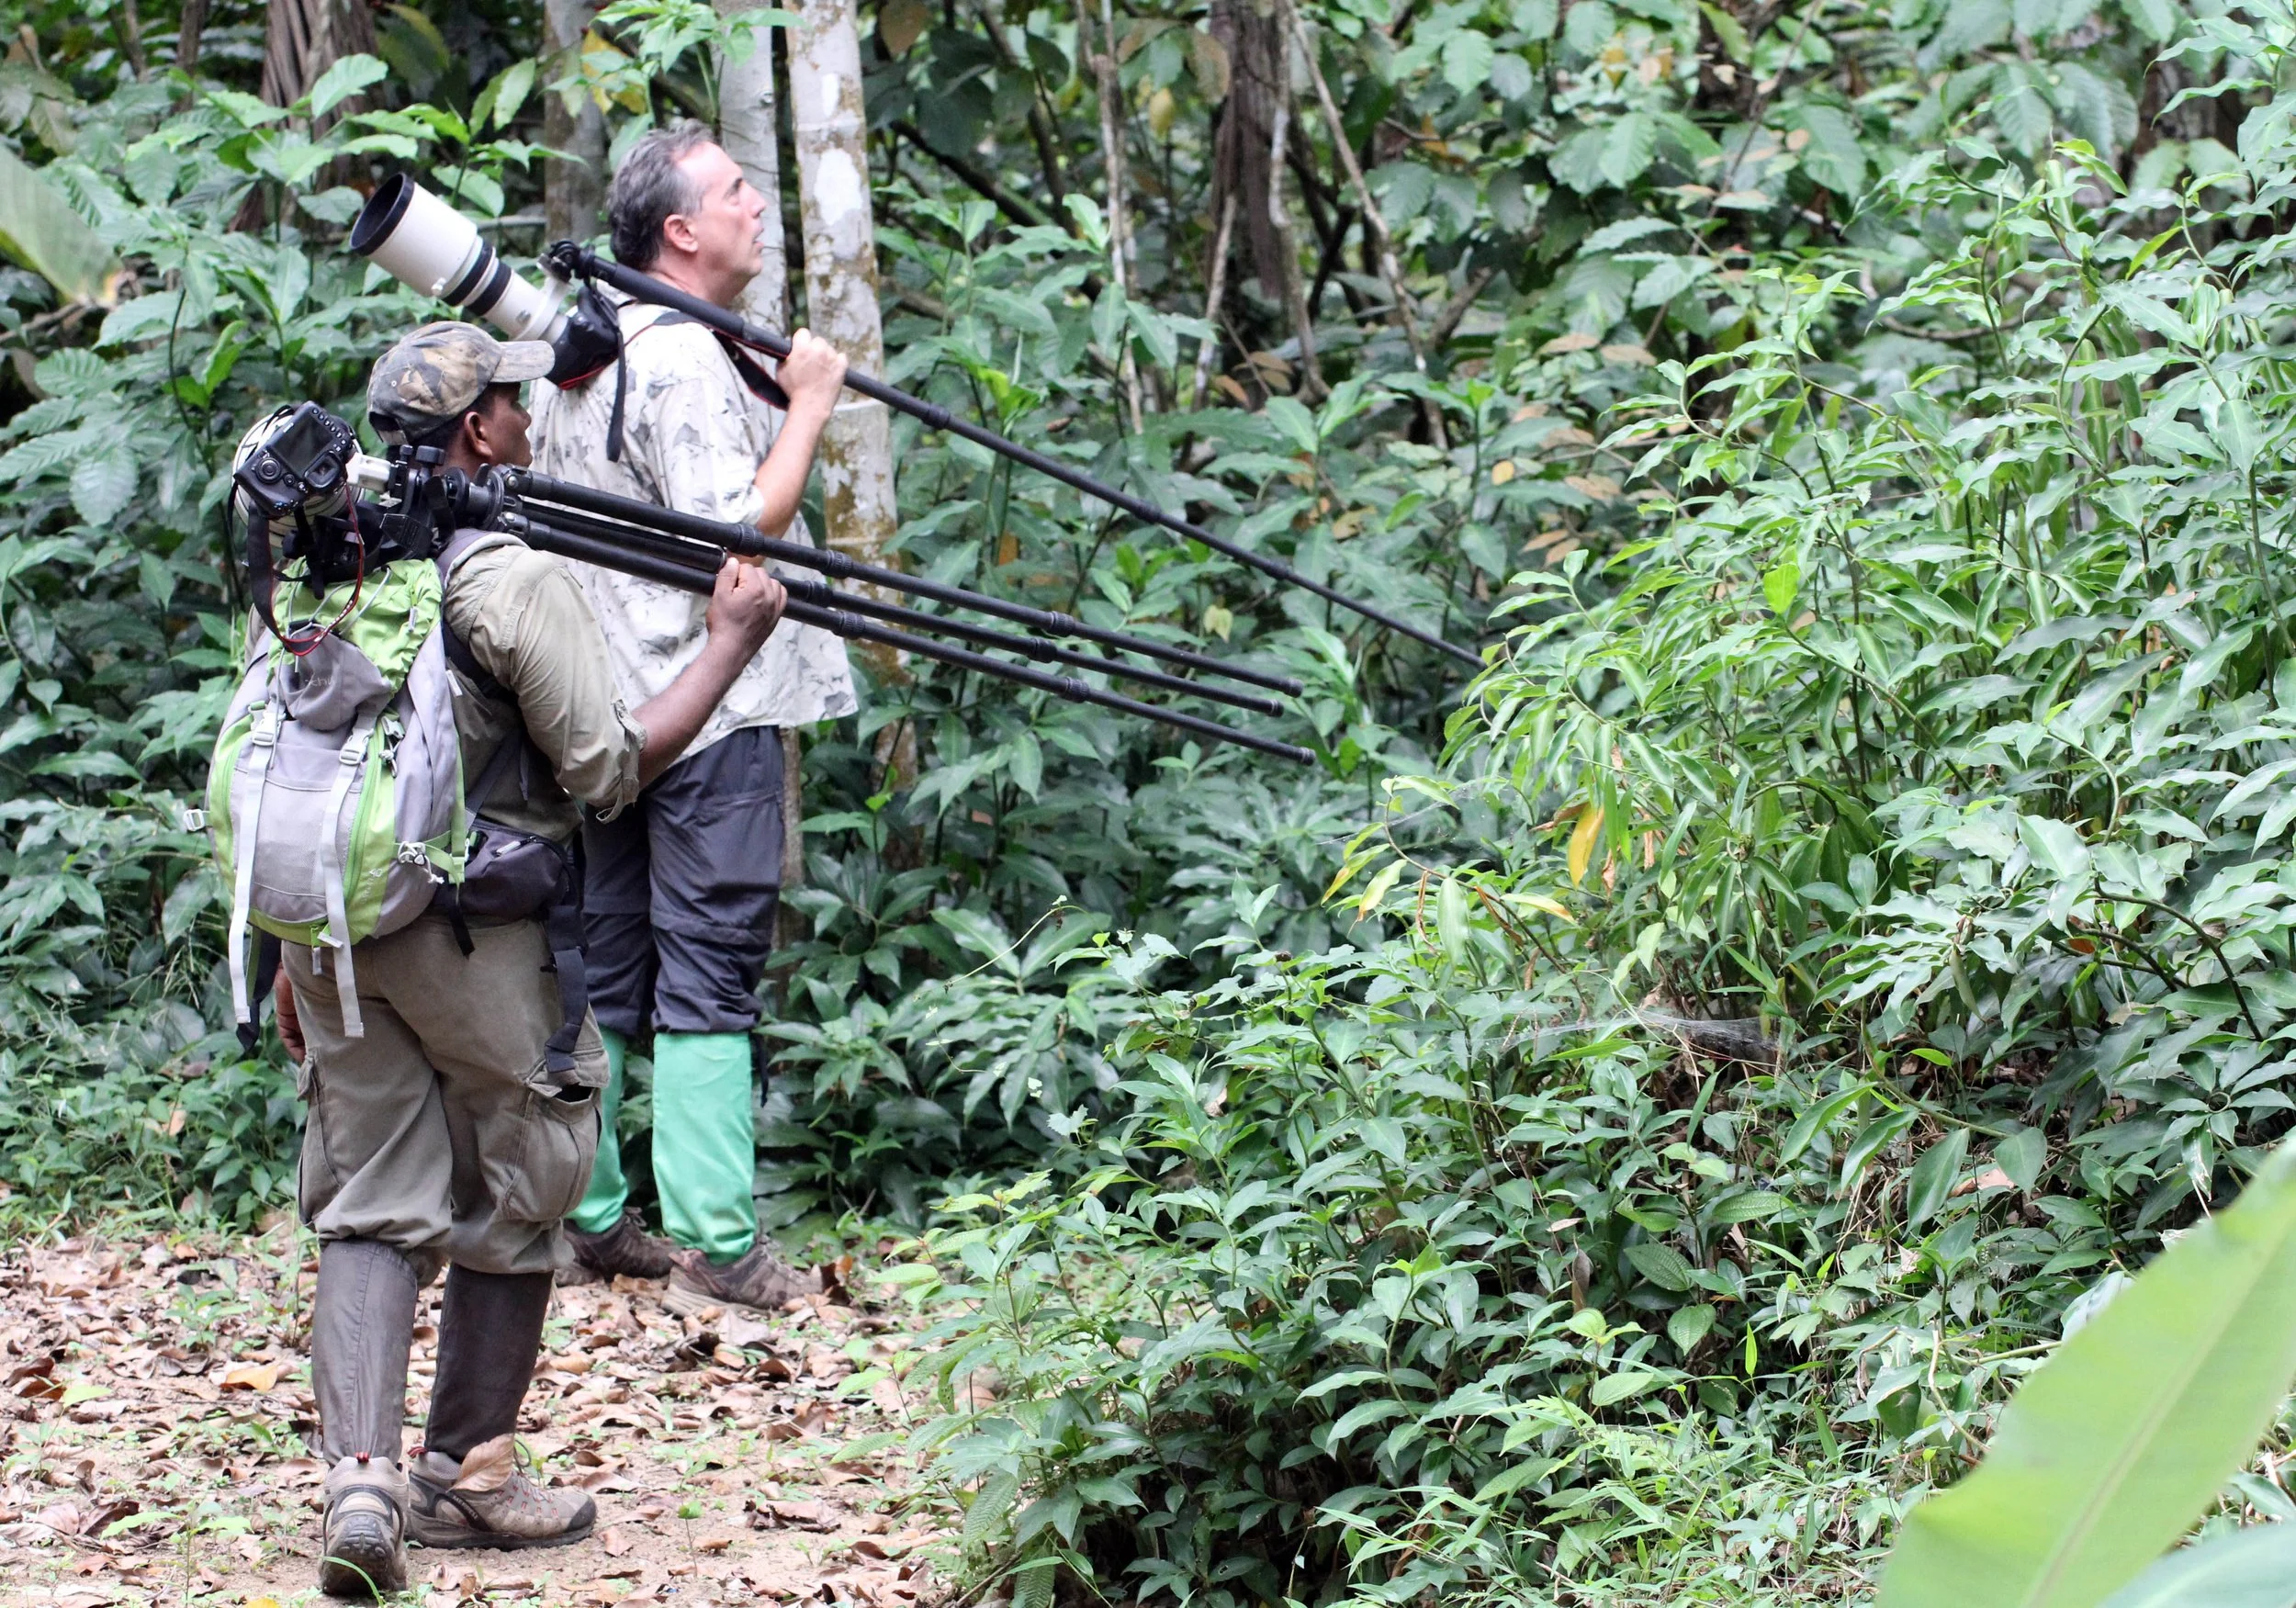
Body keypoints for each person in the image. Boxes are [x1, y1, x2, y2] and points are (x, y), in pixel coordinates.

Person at [269, 321, 789, 1598]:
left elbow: (299, 773)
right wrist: (729, 644)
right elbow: (606, 768)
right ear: (481, 431)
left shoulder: (325, 565)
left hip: (340, 933)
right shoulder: (503, 577)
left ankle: (358, 1486)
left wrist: (291, 950)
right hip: (478, 937)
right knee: (528, 1164)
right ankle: (469, 1470)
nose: (524, 414)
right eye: (510, 399)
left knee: (370, 1193)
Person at [527, 120, 856, 1313]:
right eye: (733, 191)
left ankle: (597, 1212)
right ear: (681, 230)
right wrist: (810, 403)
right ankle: (719, 1241)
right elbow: (737, 533)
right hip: (711, 698)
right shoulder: (675, 359)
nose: (756, 205)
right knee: (710, 961)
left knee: (605, 962)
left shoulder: (591, 347)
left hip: (613, 709)